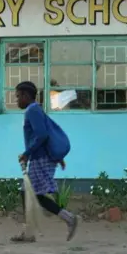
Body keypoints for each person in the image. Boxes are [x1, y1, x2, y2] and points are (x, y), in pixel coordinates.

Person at [16, 81, 78, 241]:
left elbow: (42, 135)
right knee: (26, 192)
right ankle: (28, 231)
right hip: (42, 157)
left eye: (18, 97)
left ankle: (68, 218)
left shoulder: (32, 111)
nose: (17, 100)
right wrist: (57, 157)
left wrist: (27, 153)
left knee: (33, 194)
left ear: (25, 95)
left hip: (40, 159)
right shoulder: (35, 110)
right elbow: (44, 135)